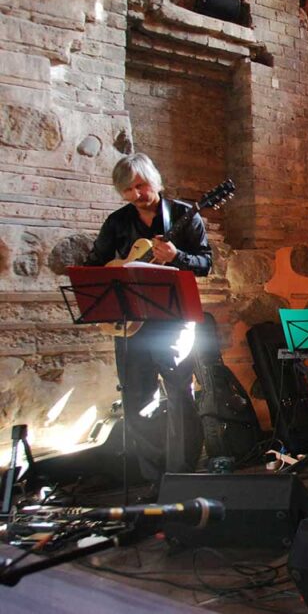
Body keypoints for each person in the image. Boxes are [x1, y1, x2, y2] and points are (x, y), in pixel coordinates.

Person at [84, 153, 211, 498]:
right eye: (127, 190)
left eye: (140, 185)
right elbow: (95, 264)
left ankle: (183, 473)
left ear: (154, 179)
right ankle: (154, 477)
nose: (136, 194)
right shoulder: (117, 222)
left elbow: (205, 263)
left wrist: (177, 257)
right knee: (136, 397)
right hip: (130, 322)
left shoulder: (185, 215)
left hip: (173, 318)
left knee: (180, 392)